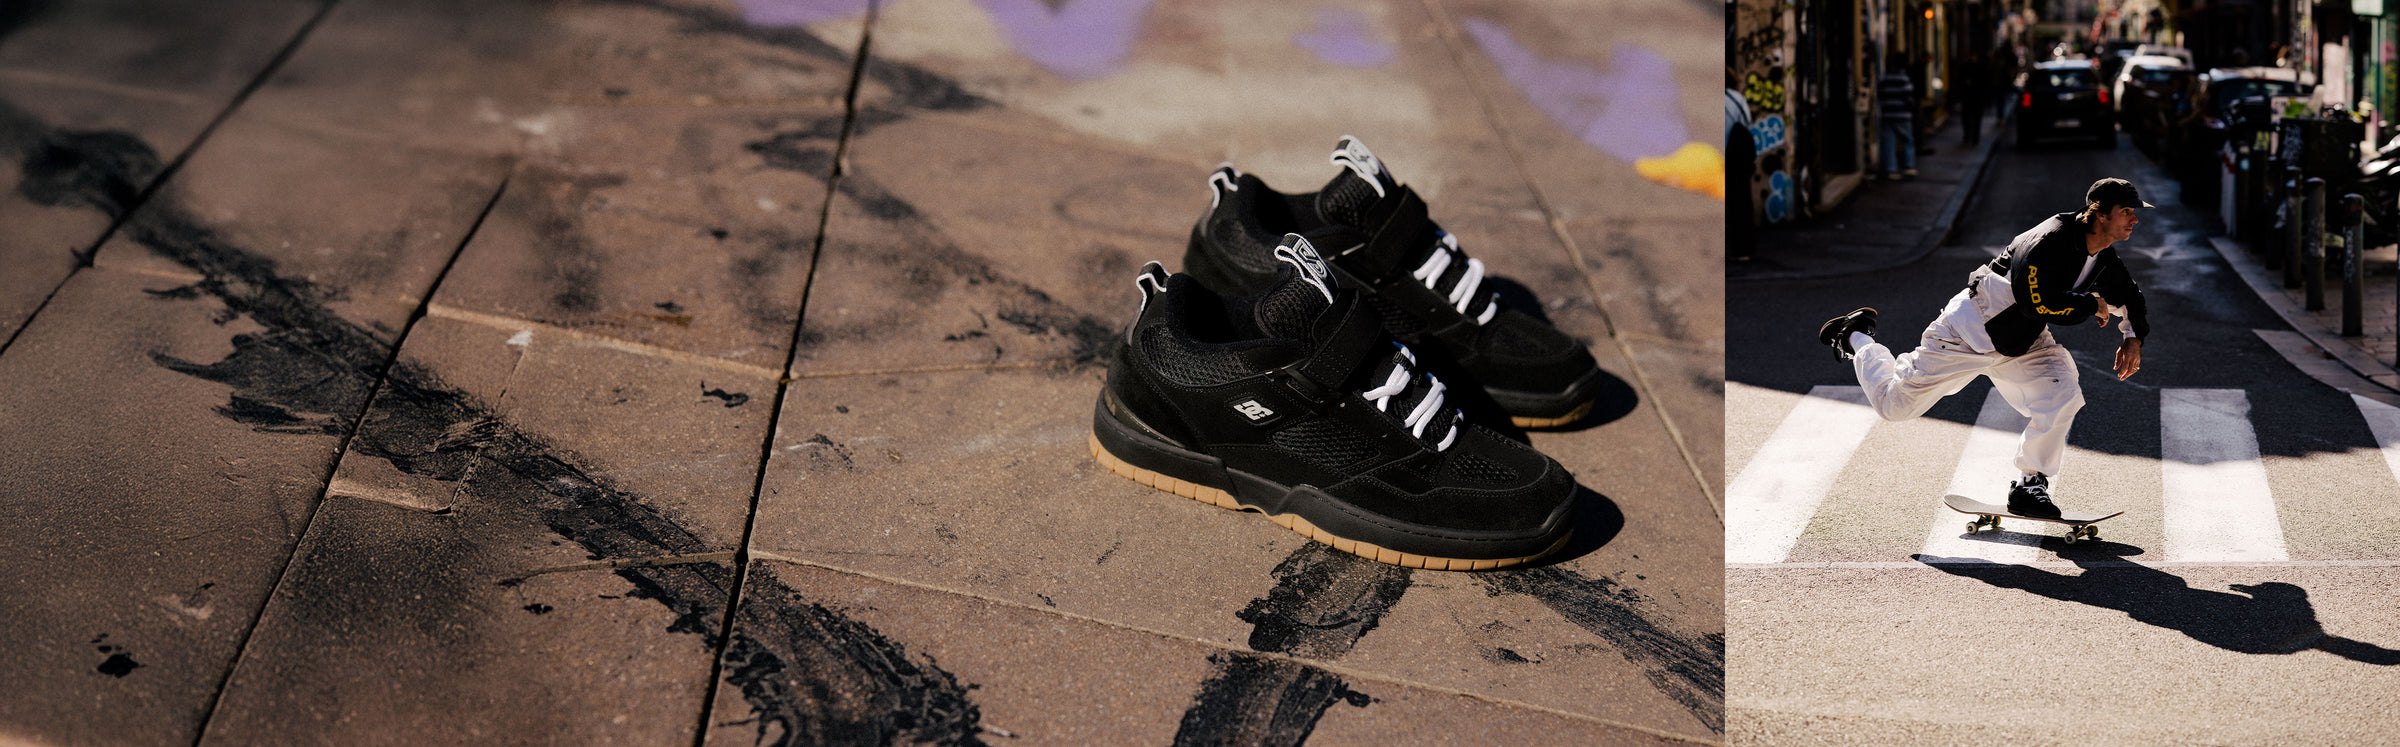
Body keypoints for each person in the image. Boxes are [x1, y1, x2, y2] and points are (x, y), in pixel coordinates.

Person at [1816, 178, 2155, 516]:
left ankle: (2030, 484)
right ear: (2099, 214)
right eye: (2126, 211)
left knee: (2063, 393)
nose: (2134, 219)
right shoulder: (2047, 241)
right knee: (1893, 406)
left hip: (2022, 341)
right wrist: (2089, 305)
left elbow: (2130, 296)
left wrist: (2131, 337)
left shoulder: (2103, 257)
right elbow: (2036, 303)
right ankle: (1856, 336)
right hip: (1967, 332)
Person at [1878, 53, 1917, 179]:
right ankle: (1908, 167)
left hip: (1888, 115)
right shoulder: (1904, 79)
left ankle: (1891, 169)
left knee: (1889, 142)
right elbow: (1909, 98)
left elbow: (1880, 94)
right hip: (1902, 115)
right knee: (1907, 140)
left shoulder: (1885, 78)